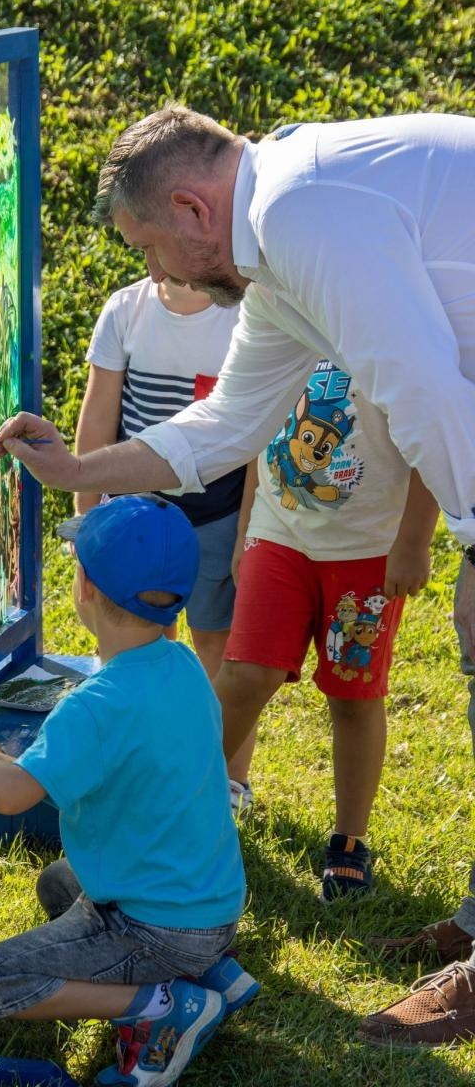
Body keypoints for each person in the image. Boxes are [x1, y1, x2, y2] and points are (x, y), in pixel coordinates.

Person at [0, 108, 475, 1043]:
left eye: (152, 248)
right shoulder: (282, 240)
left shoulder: (302, 209)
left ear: (189, 207)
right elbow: (221, 431)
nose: (160, 274)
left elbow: (419, 386)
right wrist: (78, 471)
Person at [0, 494, 251, 1087]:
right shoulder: (185, 666)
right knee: (59, 880)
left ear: (85, 585)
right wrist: (16, 762)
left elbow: (13, 797)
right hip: (211, 908)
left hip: (157, 928)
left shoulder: (94, 705)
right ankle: (214, 973)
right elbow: (112, 766)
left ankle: (166, 1009)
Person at [214, 357, 437, 897]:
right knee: (246, 674)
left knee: (354, 697)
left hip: (369, 552)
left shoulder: (398, 323)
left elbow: (435, 432)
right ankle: (180, 809)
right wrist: (246, 527)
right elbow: (259, 424)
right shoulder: (282, 312)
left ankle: (349, 841)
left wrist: (413, 541)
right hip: (278, 534)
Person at [75, 272, 243, 686]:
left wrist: (247, 529)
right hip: (136, 517)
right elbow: (98, 417)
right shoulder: (125, 308)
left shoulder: (245, 314)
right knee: (137, 640)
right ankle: (145, 741)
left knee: (213, 642)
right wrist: (86, 516)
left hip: (218, 513)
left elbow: (254, 431)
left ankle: (217, 750)